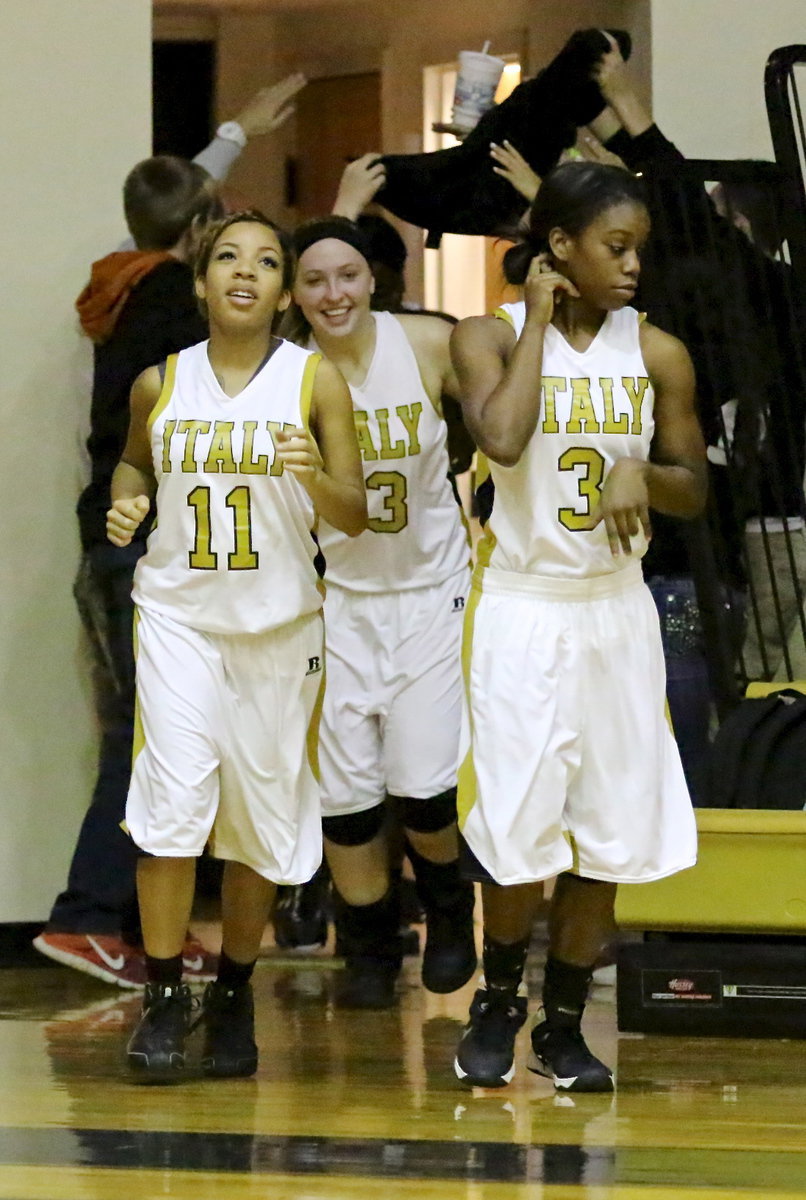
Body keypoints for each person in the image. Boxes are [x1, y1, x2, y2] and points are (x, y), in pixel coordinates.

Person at [34, 76, 307, 988]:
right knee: (153, 743)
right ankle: (88, 919)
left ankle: (126, 925)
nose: (242, 274)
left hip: (123, 545)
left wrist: (232, 133)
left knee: (153, 740)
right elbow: (199, 241)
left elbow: (164, 210)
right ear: (201, 259)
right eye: (228, 253)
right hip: (143, 548)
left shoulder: (118, 277)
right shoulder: (167, 312)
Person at [450, 161, 706, 1090]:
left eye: (640, 248)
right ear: (558, 247)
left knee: (604, 832)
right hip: (522, 605)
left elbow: (696, 486)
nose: (634, 265)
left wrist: (646, 478)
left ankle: (563, 1024)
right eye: (615, 247)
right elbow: (505, 440)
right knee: (520, 827)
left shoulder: (659, 352)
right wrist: (535, 319)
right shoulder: (484, 337)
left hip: (616, 610)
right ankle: (496, 1003)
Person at [108, 210, 366, 1081]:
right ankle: (161, 997)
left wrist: (315, 478)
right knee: (174, 806)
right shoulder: (160, 382)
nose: (244, 273)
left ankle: (233, 988)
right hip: (179, 618)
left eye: (264, 262)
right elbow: (134, 462)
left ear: (285, 291)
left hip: (281, 628)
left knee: (258, 826)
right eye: (227, 258)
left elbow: (357, 512)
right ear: (200, 282)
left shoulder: (314, 382)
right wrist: (128, 500)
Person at [282, 216, 477, 1009]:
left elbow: (502, 419)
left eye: (348, 275)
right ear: (296, 295)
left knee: (424, 789)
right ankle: (365, 943)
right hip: (336, 604)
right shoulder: (283, 375)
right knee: (349, 806)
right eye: (316, 280)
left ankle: (448, 904)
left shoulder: (428, 342)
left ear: (373, 280)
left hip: (432, 592)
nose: (335, 293)